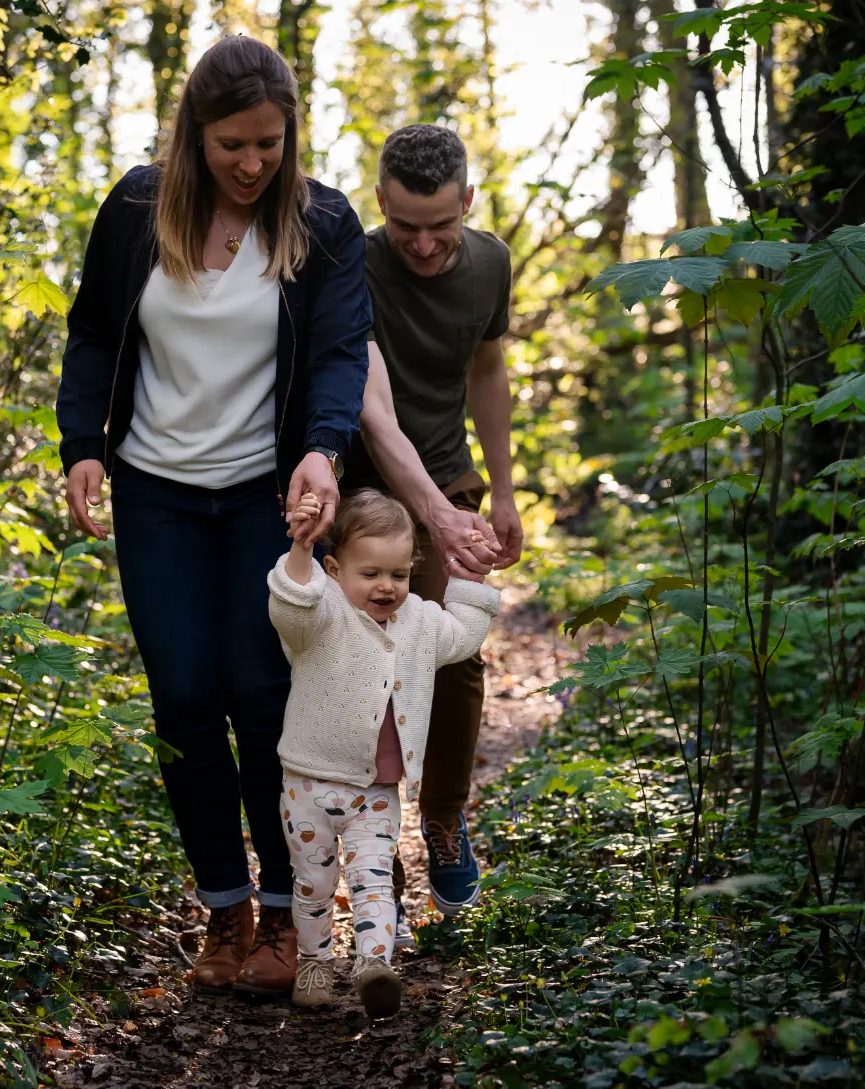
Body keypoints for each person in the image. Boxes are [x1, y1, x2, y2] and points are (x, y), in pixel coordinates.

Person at [54, 36, 371, 1000]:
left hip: (262, 497)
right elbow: (93, 333)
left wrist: (323, 446)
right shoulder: (138, 209)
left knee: (261, 694)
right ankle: (223, 911)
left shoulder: (319, 223)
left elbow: (338, 353)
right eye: (232, 144)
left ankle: (287, 913)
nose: (251, 163)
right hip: (156, 493)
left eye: (270, 144)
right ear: (194, 134)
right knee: (184, 699)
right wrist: (82, 444)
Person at [346, 124, 524, 931]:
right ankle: (375, 833)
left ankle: (444, 821)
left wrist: (507, 492)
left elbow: (486, 370)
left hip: (452, 477)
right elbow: (369, 406)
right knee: (368, 664)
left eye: (439, 227)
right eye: (404, 225)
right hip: (364, 489)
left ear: (470, 205)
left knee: (454, 655)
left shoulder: (489, 262)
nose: (421, 244)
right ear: (379, 201)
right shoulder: (349, 259)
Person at [267, 489, 499, 1017]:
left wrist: (470, 580)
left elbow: (462, 638)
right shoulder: (321, 611)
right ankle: (315, 962)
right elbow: (290, 611)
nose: (386, 587)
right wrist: (299, 550)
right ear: (334, 567)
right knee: (314, 883)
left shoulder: (418, 620)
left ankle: (374, 963)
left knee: (374, 879)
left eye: (399, 574)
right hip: (308, 785)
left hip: (375, 791)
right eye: (369, 573)